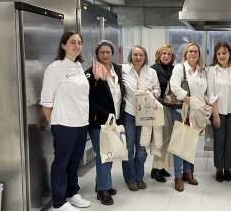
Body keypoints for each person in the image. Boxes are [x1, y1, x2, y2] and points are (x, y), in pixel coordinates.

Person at [40, 31, 90, 211]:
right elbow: (46, 102)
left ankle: (72, 193)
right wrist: (55, 125)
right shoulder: (55, 68)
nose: (76, 45)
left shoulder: (78, 66)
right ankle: (59, 202)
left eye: (79, 42)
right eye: (72, 42)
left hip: (81, 123)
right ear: (63, 45)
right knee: (61, 162)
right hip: (64, 124)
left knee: (75, 160)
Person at [85, 40, 125, 205]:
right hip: (98, 121)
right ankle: (103, 190)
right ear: (97, 54)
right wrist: (103, 113)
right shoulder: (90, 73)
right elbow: (86, 98)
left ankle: (101, 184)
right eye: (102, 52)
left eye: (108, 52)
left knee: (110, 153)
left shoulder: (117, 70)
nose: (105, 55)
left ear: (112, 53)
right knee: (104, 156)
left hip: (114, 120)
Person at [170, 42, 207, 192]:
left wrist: (206, 106)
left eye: (196, 52)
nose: (193, 54)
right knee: (179, 144)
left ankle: (188, 172)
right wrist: (190, 101)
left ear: (199, 55)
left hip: (196, 112)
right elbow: (175, 87)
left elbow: (205, 90)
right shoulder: (180, 68)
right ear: (186, 54)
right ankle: (178, 177)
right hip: (181, 110)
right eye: (190, 51)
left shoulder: (202, 70)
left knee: (190, 144)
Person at [122, 46, 160, 191]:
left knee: (142, 149)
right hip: (129, 113)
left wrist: (149, 92)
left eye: (141, 55)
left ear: (145, 57)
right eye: (135, 54)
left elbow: (158, 90)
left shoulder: (151, 72)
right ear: (130, 56)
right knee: (129, 149)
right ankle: (130, 179)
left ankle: (139, 177)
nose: (138, 57)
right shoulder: (123, 69)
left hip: (145, 114)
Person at [207, 42, 231, 182]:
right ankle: (218, 169)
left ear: (229, 54)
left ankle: (227, 168)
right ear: (216, 56)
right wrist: (215, 114)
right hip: (219, 111)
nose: (222, 56)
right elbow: (211, 94)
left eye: (224, 53)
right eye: (219, 53)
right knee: (220, 141)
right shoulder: (212, 70)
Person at [149, 44, 176, 182]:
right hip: (159, 107)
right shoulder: (153, 69)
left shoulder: (173, 69)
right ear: (159, 55)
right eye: (164, 53)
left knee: (168, 139)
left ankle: (161, 167)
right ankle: (156, 169)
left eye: (169, 54)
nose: (166, 56)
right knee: (160, 139)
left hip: (171, 107)